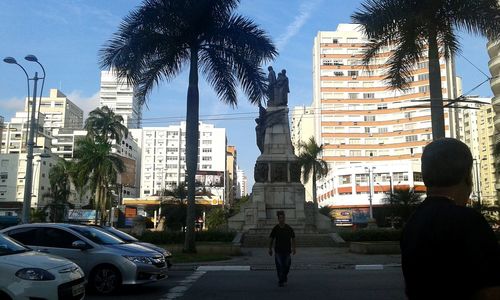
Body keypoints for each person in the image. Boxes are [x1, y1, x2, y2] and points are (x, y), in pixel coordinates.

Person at [401, 138, 500, 300]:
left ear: (426, 178)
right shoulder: (469, 222)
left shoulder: (413, 222)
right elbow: (490, 292)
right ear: (468, 177)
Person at [268, 211, 296, 287]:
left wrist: (294, 248)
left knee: (287, 265)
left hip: (287, 251)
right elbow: (271, 239)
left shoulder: (288, 228)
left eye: (283, 218)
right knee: (279, 266)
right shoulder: (276, 228)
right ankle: (281, 280)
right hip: (278, 251)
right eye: (280, 218)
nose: (282, 219)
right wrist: (270, 249)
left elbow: (293, 238)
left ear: (284, 218)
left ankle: (284, 276)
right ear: (278, 219)